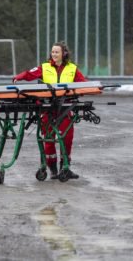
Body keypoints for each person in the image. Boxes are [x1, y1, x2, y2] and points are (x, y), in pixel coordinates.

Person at [13, 41, 86, 179]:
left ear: (64, 53)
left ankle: (65, 167)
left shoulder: (72, 68)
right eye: (53, 52)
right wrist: (19, 77)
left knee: (67, 137)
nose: (54, 54)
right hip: (47, 108)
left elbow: (83, 83)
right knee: (48, 138)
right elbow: (30, 74)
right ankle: (52, 168)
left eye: (57, 52)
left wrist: (91, 88)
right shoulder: (45, 67)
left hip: (65, 108)